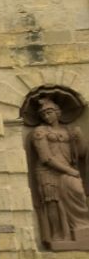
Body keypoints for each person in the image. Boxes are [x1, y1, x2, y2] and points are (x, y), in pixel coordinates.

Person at [29, 97, 89, 244]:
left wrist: (79, 137)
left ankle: (81, 228)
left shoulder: (68, 130)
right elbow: (45, 158)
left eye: (49, 112)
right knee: (52, 202)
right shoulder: (40, 131)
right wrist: (68, 171)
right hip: (48, 172)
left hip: (68, 169)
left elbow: (81, 153)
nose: (46, 116)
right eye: (43, 114)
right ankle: (58, 235)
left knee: (78, 192)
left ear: (57, 112)